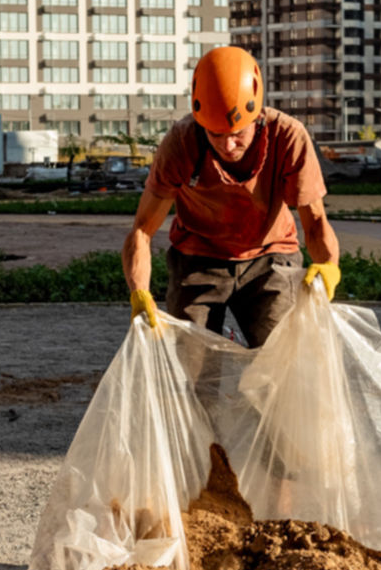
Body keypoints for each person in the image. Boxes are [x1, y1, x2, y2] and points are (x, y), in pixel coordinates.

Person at [121, 46, 339, 347]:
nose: (228, 145)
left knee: (279, 355)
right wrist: (139, 293)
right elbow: (143, 230)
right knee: (192, 361)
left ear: (257, 116)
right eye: (215, 134)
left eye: (237, 133)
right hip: (198, 257)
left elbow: (315, 223)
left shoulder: (287, 137)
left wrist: (329, 266)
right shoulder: (181, 142)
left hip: (271, 256)